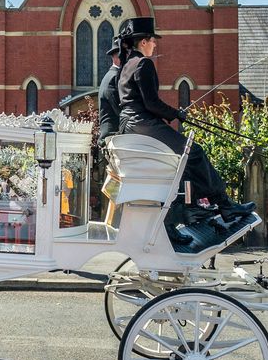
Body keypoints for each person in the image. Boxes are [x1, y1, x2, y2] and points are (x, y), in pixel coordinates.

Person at [115, 17, 254, 229]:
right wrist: (176, 114)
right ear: (143, 42)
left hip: (131, 123)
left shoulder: (126, 65)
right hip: (141, 121)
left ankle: (195, 205)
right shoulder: (143, 64)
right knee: (194, 153)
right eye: (152, 40)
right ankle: (223, 205)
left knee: (180, 163)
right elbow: (151, 103)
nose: (155, 44)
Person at [97, 38, 123, 144]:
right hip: (111, 139)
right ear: (116, 57)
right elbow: (119, 109)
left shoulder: (114, 75)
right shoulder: (113, 77)